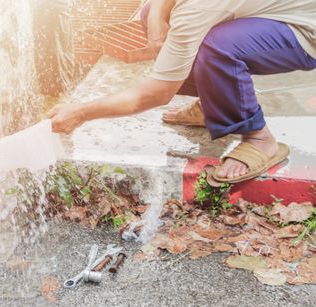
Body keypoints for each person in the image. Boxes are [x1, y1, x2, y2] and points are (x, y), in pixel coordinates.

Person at [47, 0, 316, 184]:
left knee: (218, 46)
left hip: (305, 28)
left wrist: (82, 112)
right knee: (154, 11)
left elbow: (156, 93)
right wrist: (155, 18)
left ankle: (259, 138)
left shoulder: (197, 8)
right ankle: (216, 100)